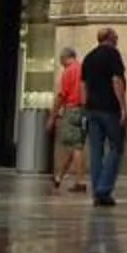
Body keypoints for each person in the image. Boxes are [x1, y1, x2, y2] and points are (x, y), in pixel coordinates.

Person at [78, 25, 127, 208]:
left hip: (91, 109)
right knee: (116, 147)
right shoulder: (113, 55)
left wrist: (84, 107)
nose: (117, 39)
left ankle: (97, 191)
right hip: (109, 109)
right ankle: (103, 189)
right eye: (116, 36)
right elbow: (116, 80)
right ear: (110, 38)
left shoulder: (89, 57)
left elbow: (82, 85)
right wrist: (123, 107)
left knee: (96, 151)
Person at [50, 47, 85, 191]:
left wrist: (52, 116)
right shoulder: (83, 68)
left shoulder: (68, 71)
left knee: (76, 147)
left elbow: (61, 95)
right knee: (73, 145)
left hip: (72, 109)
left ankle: (80, 181)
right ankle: (59, 177)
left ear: (65, 58)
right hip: (84, 110)